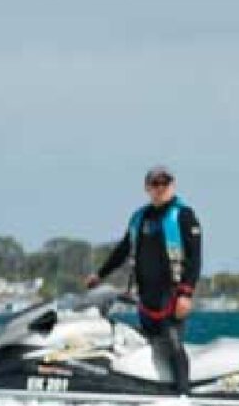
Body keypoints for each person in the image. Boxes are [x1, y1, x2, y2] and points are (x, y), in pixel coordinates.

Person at [83, 165, 202, 392]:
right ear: (147, 188)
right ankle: (152, 389)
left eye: (165, 184)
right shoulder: (140, 217)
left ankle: (184, 394)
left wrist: (186, 294)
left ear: (172, 186)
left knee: (173, 343)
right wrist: (100, 274)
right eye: (155, 184)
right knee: (149, 343)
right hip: (147, 295)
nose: (160, 189)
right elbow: (123, 249)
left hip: (172, 295)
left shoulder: (184, 216)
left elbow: (195, 257)